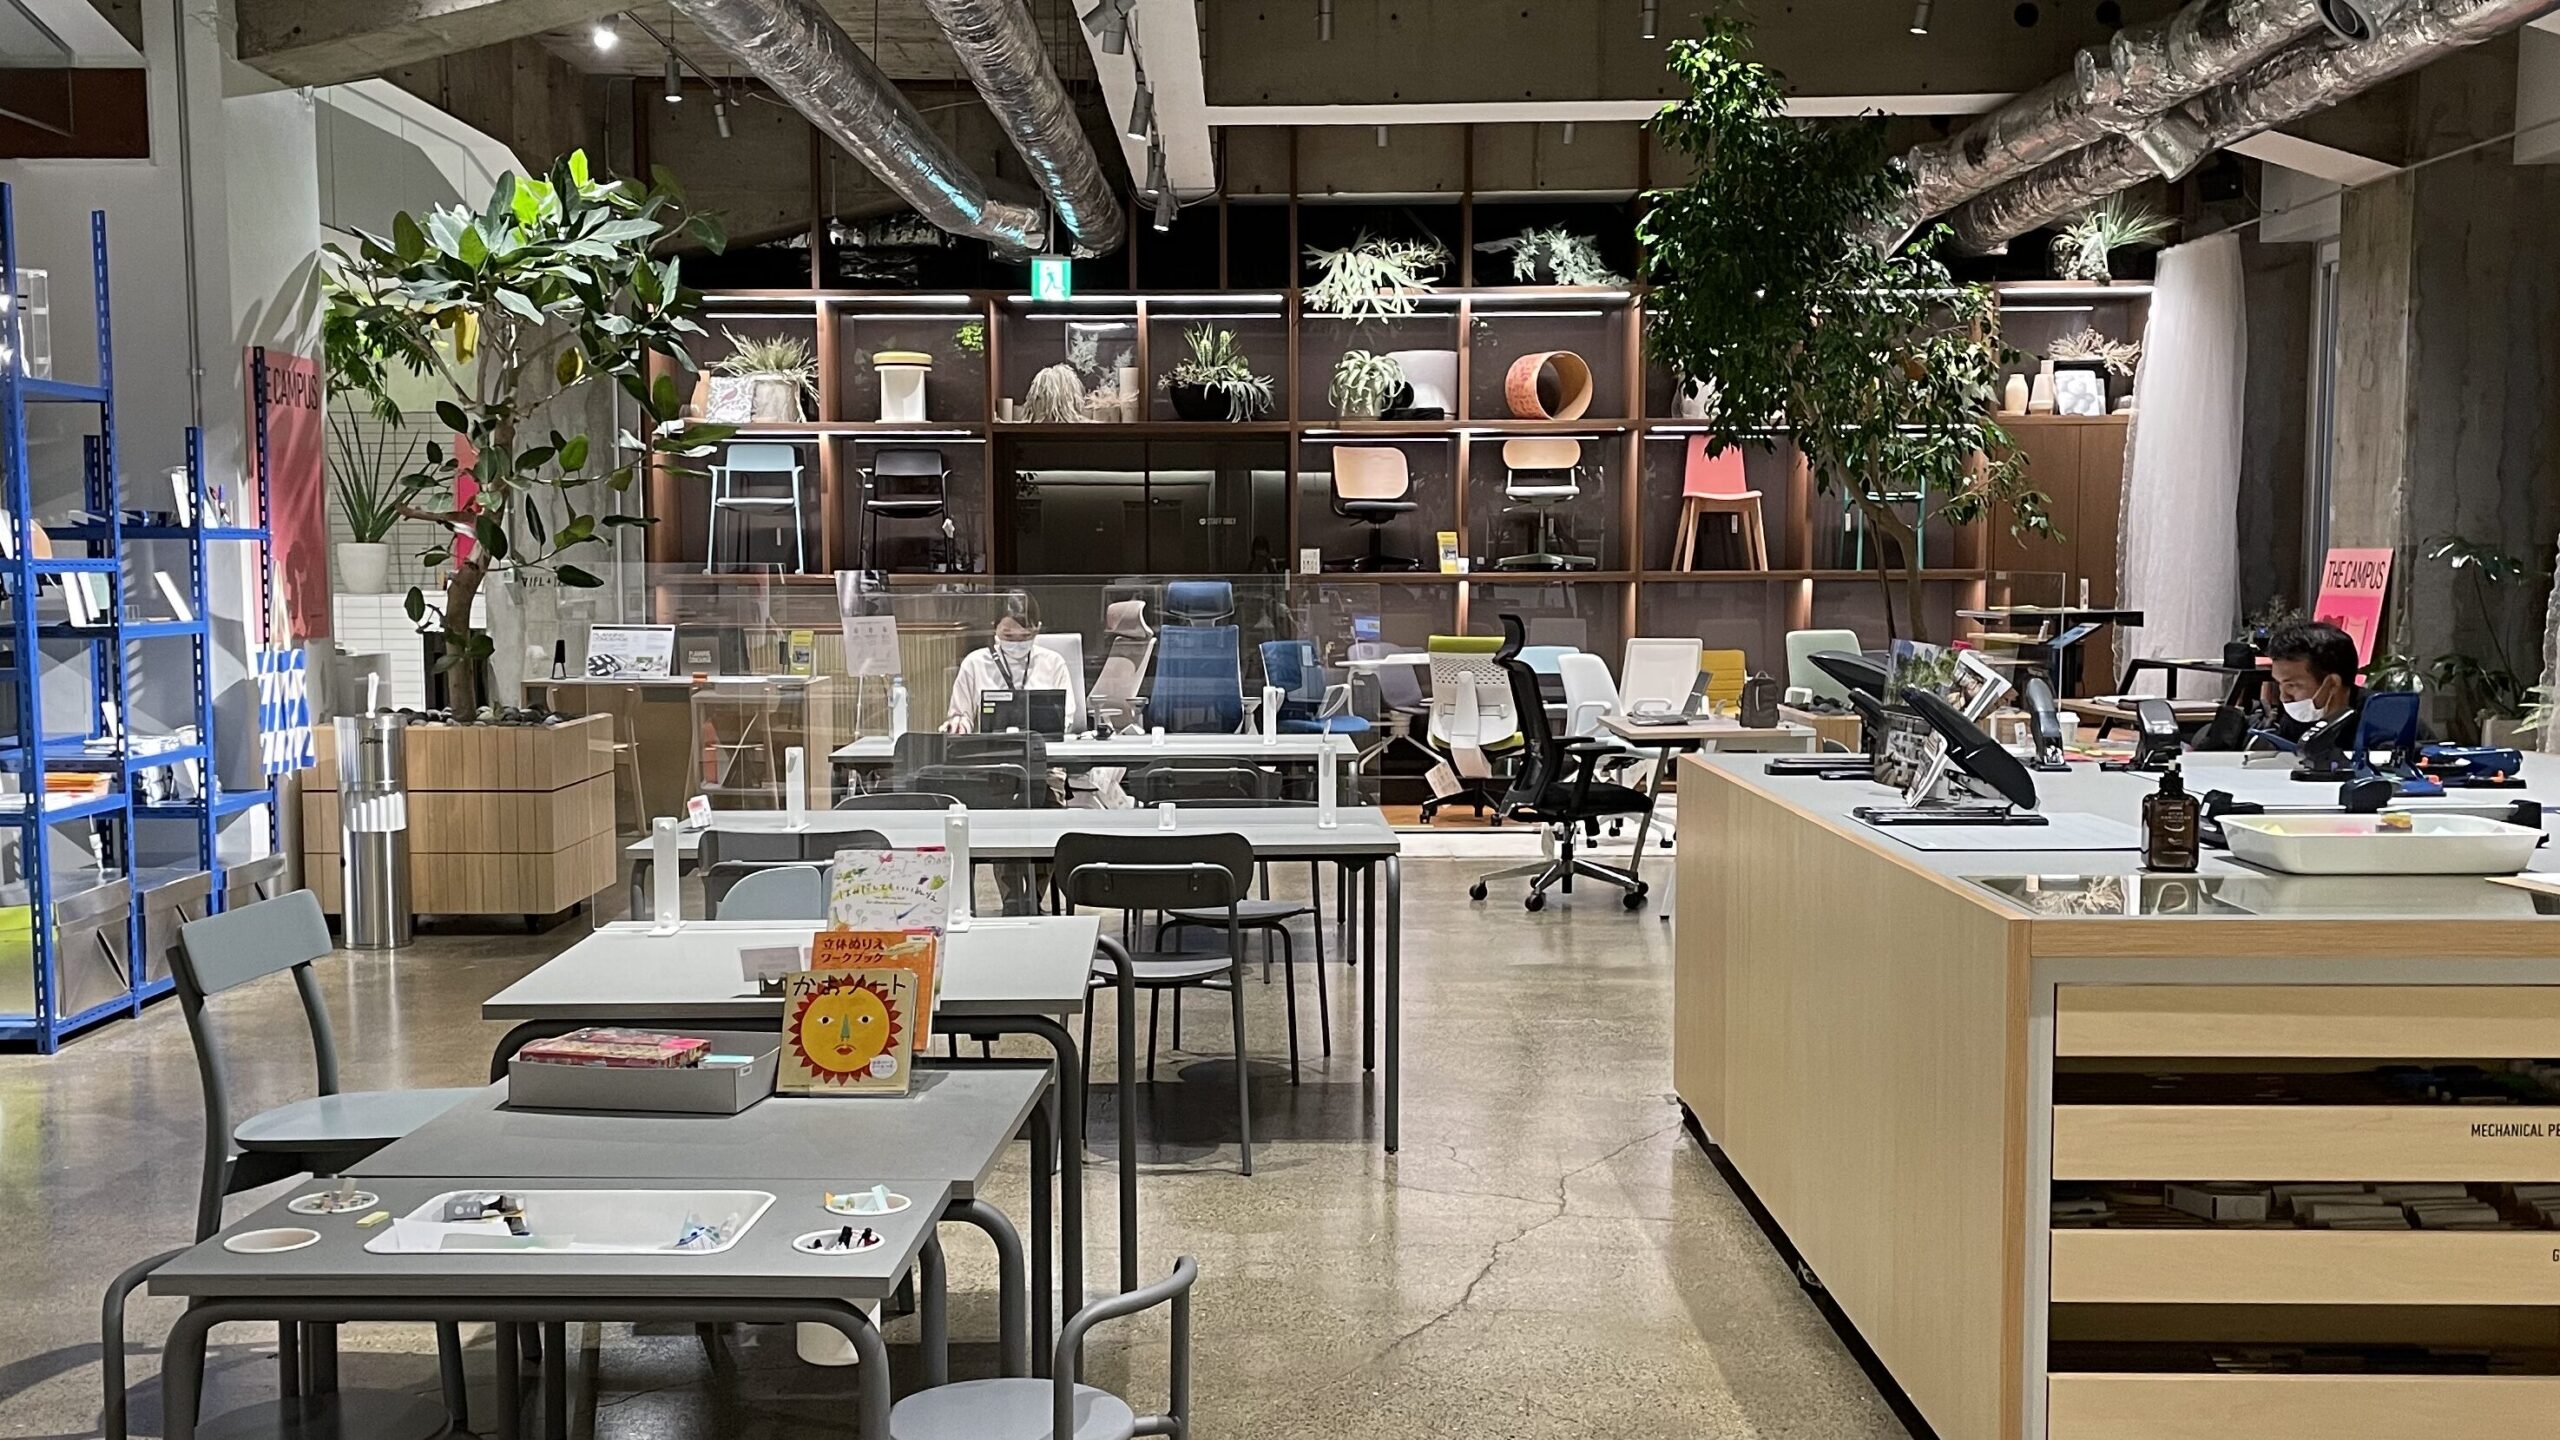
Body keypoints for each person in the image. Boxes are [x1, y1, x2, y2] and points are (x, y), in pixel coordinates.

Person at [945, 592, 1083, 734]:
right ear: (994, 628)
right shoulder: (975, 663)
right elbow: (961, 716)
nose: (1017, 642)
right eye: (1008, 636)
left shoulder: (1053, 663)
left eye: (1026, 635)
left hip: (1044, 743)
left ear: (1038, 629)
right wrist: (959, 725)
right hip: (991, 745)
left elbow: (1066, 717)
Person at [2262, 619, 2363, 741]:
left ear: (2332, 684)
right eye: (2279, 684)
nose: (2283, 697)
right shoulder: (2294, 721)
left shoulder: (2377, 721)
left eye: (2292, 685)